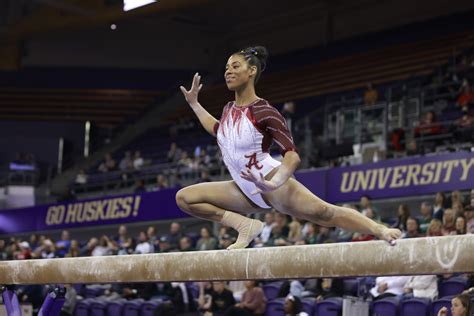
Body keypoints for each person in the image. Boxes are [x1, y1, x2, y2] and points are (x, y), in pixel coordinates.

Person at [177, 46, 401, 250]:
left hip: (270, 181)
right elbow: (218, 130)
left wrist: (273, 183)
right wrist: (195, 104)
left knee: (323, 213)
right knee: (185, 198)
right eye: (226, 68)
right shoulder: (228, 109)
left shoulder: (265, 111)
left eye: (235, 66)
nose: (228, 71)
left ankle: (379, 230)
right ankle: (244, 225)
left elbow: (292, 156)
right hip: (244, 189)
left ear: (252, 70)